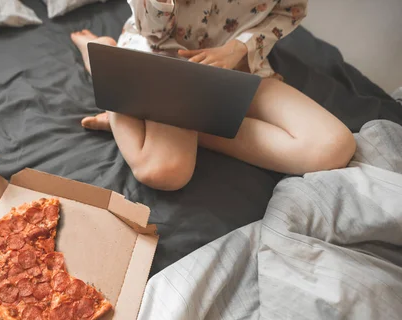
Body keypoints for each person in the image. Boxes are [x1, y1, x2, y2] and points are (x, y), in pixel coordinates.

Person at [71, 0, 356, 191]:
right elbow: (153, 32)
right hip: (166, 60)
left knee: (333, 147)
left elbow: (290, 10)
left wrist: (239, 49)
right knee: (163, 172)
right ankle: (104, 62)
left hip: (240, 65)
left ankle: (135, 107)